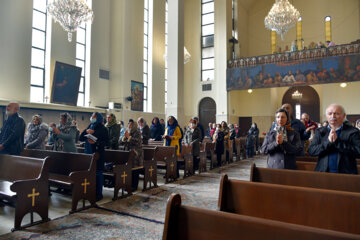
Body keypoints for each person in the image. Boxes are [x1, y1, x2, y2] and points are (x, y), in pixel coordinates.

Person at [308, 104, 360, 174]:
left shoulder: (353, 132)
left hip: (346, 173)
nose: (333, 116)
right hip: (323, 172)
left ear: (344, 116)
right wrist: (328, 142)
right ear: (326, 116)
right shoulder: (320, 131)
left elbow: (358, 152)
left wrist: (337, 142)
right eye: (330, 114)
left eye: (336, 113)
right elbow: (311, 151)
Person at [79, 112, 109, 201]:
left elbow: (107, 142)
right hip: (88, 153)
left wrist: (97, 142)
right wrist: (86, 131)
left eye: (93, 116)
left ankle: (98, 194)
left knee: (98, 173)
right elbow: (81, 138)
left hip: (98, 154)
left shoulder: (103, 129)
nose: (91, 118)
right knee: (89, 173)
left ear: (98, 118)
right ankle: (89, 191)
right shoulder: (90, 126)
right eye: (92, 116)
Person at [121, 119, 142, 191]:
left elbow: (137, 142)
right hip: (128, 152)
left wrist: (129, 137)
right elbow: (121, 142)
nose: (129, 126)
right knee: (129, 170)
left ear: (134, 126)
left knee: (135, 170)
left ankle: (134, 186)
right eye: (128, 124)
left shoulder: (137, 132)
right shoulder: (128, 132)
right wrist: (124, 138)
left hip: (136, 153)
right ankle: (128, 185)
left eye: (131, 125)